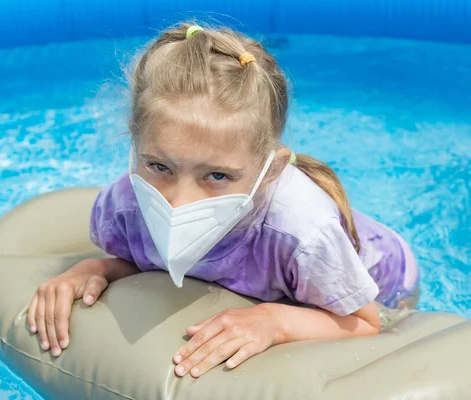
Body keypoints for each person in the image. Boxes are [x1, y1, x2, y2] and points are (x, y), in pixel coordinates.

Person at [26, 23, 419, 378]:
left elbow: (366, 322)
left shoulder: (302, 233)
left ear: (270, 169)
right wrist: (98, 268)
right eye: (159, 165)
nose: (179, 201)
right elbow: (145, 259)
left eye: (216, 176)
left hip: (383, 282)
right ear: (134, 143)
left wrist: (275, 321)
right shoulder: (125, 206)